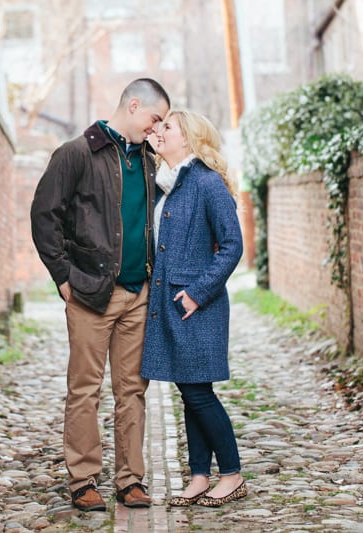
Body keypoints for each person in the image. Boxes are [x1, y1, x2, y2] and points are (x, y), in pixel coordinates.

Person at [30, 78, 170, 512]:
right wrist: (62, 276)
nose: (157, 128)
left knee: (132, 390)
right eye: (155, 118)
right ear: (133, 105)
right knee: (85, 389)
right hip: (91, 294)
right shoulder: (76, 153)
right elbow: (44, 215)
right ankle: (83, 480)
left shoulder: (150, 162)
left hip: (138, 294)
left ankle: (131, 480)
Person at [140, 109, 246, 508]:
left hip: (197, 307)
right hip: (172, 306)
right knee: (190, 391)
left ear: (189, 139)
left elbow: (232, 246)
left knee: (199, 393)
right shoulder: (168, 183)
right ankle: (199, 474)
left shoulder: (206, 182)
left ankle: (232, 474)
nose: (159, 131)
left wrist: (197, 293)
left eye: (168, 127)